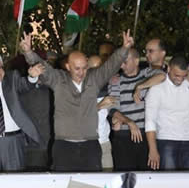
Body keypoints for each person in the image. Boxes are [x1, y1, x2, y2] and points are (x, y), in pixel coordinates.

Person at [21, 29, 134, 172]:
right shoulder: (58, 80)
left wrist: (125, 48)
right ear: (68, 67)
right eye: (77, 69)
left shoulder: (94, 78)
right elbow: (43, 68)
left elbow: (111, 65)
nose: (81, 73)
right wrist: (28, 52)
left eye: (84, 68)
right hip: (64, 146)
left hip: (91, 145)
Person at [145, 55, 189, 170]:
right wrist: (153, 149)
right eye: (176, 75)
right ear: (168, 69)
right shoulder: (156, 88)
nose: (180, 79)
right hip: (165, 140)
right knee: (170, 184)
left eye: (183, 76)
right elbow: (150, 121)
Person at [108, 48, 166, 171]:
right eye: (120, 62)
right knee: (125, 179)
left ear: (136, 61)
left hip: (146, 136)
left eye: (125, 62)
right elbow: (113, 109)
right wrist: (129, 122)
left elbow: (162, 76)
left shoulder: (146, 74)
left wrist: (140, 86)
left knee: (147, 179)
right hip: (123, 136)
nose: (121, 65)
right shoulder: (116, 80)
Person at [88, 55, 116, 171]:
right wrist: (99, 106)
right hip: (88, 144)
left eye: (100, 67)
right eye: (93, 69)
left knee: (107, 183)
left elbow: (112, 110)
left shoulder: (108, 86)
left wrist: (116, 117)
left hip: (104, 142)